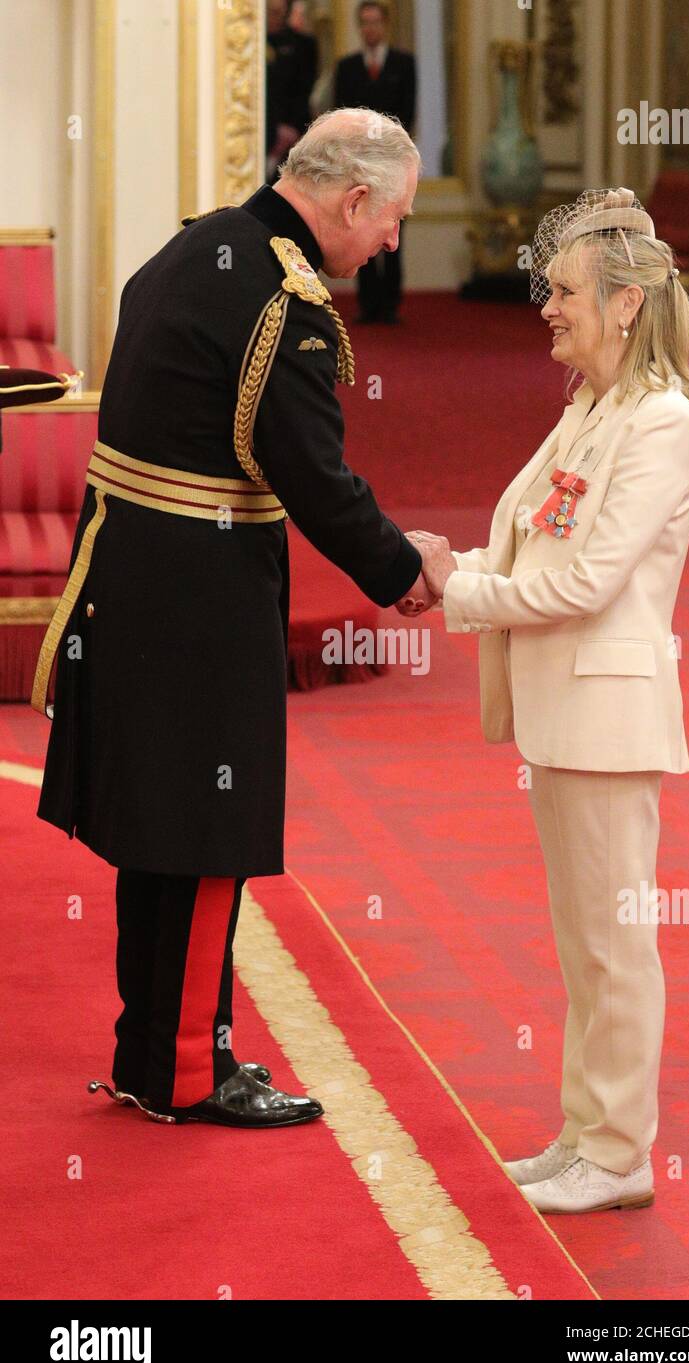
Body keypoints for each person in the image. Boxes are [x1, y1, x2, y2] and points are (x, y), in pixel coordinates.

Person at [33, 108, 431, 1130]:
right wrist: (399, 568)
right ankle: (184, 1071)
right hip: (201, 597)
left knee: (154, 830)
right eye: (391, 220)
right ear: (350, 201)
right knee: (208, 833)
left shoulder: (199, 242)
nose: (390, 241)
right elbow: (310, 471)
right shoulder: (281, 295)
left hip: (128, 568)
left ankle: (146, 1052)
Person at [410, 189, 689, 1214]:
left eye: (566, 291)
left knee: (612, 945)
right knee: (583, 943)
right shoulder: (590, 408)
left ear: (625, 303)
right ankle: (585, 1133)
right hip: (562, 719)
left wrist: (454, 588)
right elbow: (534, 539)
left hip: (607, 719)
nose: (546, 306)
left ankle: (621, 1150)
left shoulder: (661, 422)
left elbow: (583, 583)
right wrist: (450, 564)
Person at [334, 1, 416, 324]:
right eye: (364, 23)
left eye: (375, 22)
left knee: (394, 231)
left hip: (393, 162)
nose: (370, 29)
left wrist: (388, 152)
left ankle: (391, 303)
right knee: (362, 230)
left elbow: (408, 113)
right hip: (359, 165)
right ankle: (368, 303)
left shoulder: (404, 64)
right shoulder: (347, 67)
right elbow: (341, 116)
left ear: (385, 26)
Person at [266, 0, 318, 181]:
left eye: (279, 12)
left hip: (294, 131)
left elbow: (303, 89)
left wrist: (290, 128)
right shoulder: (253, 42)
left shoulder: (303, 45)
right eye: (271, 12)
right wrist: (273, 127)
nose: (275, 17)